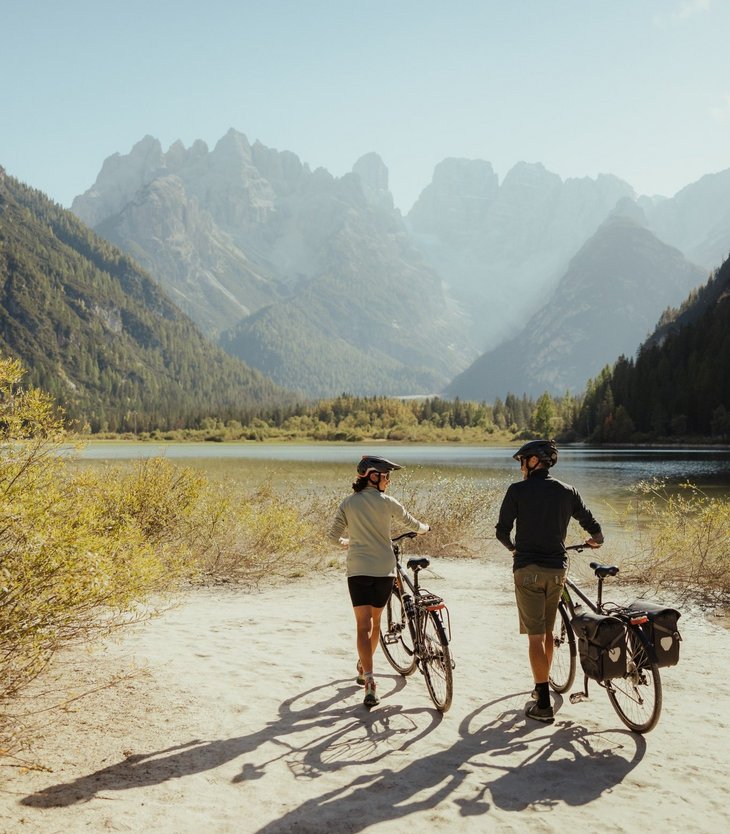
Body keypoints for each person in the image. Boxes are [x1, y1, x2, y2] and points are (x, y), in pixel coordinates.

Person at [495, 439, 603, 724]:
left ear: (532, 462)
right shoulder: (567, 491)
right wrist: (595, 540)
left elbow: (502, 531)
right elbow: (592, 524)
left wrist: (513, 548)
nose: (520, 468)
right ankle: (542, 684)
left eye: (522, 461)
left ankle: (542, 702)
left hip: (527, 570)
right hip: (557, 570)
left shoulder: (517, 491)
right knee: (547, 631)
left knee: (534, 636)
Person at [328, 455, 430, 707]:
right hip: (384, 571)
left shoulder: (348, 503)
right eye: (387, 476)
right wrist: (425, 528)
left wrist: (346, 542)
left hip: (358, 570)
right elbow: (414, 524)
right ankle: (365, 666)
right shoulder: (388, 502)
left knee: (362, 626)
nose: (389, 481)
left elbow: (332, 537)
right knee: (375, 623)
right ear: (374, 476)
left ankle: (368, 678)